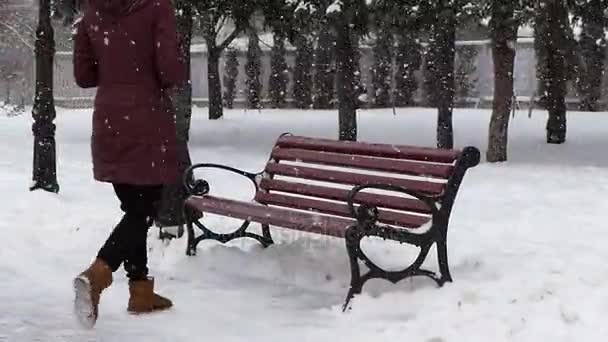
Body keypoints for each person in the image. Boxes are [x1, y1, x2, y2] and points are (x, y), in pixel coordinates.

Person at [71, 0, 185, 328]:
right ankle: (98, 273)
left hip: (110, 120)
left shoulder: (92, 11)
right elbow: (170, 71)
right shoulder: (157, 7)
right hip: (147, 119)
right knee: (144, 208)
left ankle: (140, 291)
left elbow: (83, 75)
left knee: (135, 206)